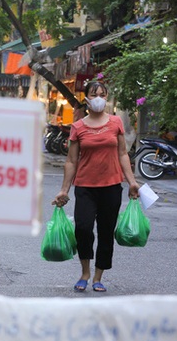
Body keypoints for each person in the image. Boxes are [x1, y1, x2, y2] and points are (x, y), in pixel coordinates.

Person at [52, 81, 140, 293]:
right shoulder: (78, 127)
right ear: (87, 98)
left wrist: (132, 181)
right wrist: (64, 189)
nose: (99, 98)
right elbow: (72, 161)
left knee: (106, 232)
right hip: (85, 186)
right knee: (83, 229)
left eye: (102, 94)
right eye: (95, 94)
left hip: (111, 186)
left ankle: (98, 276)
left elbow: (122, 154)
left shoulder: (116, 122)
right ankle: (85, 272)